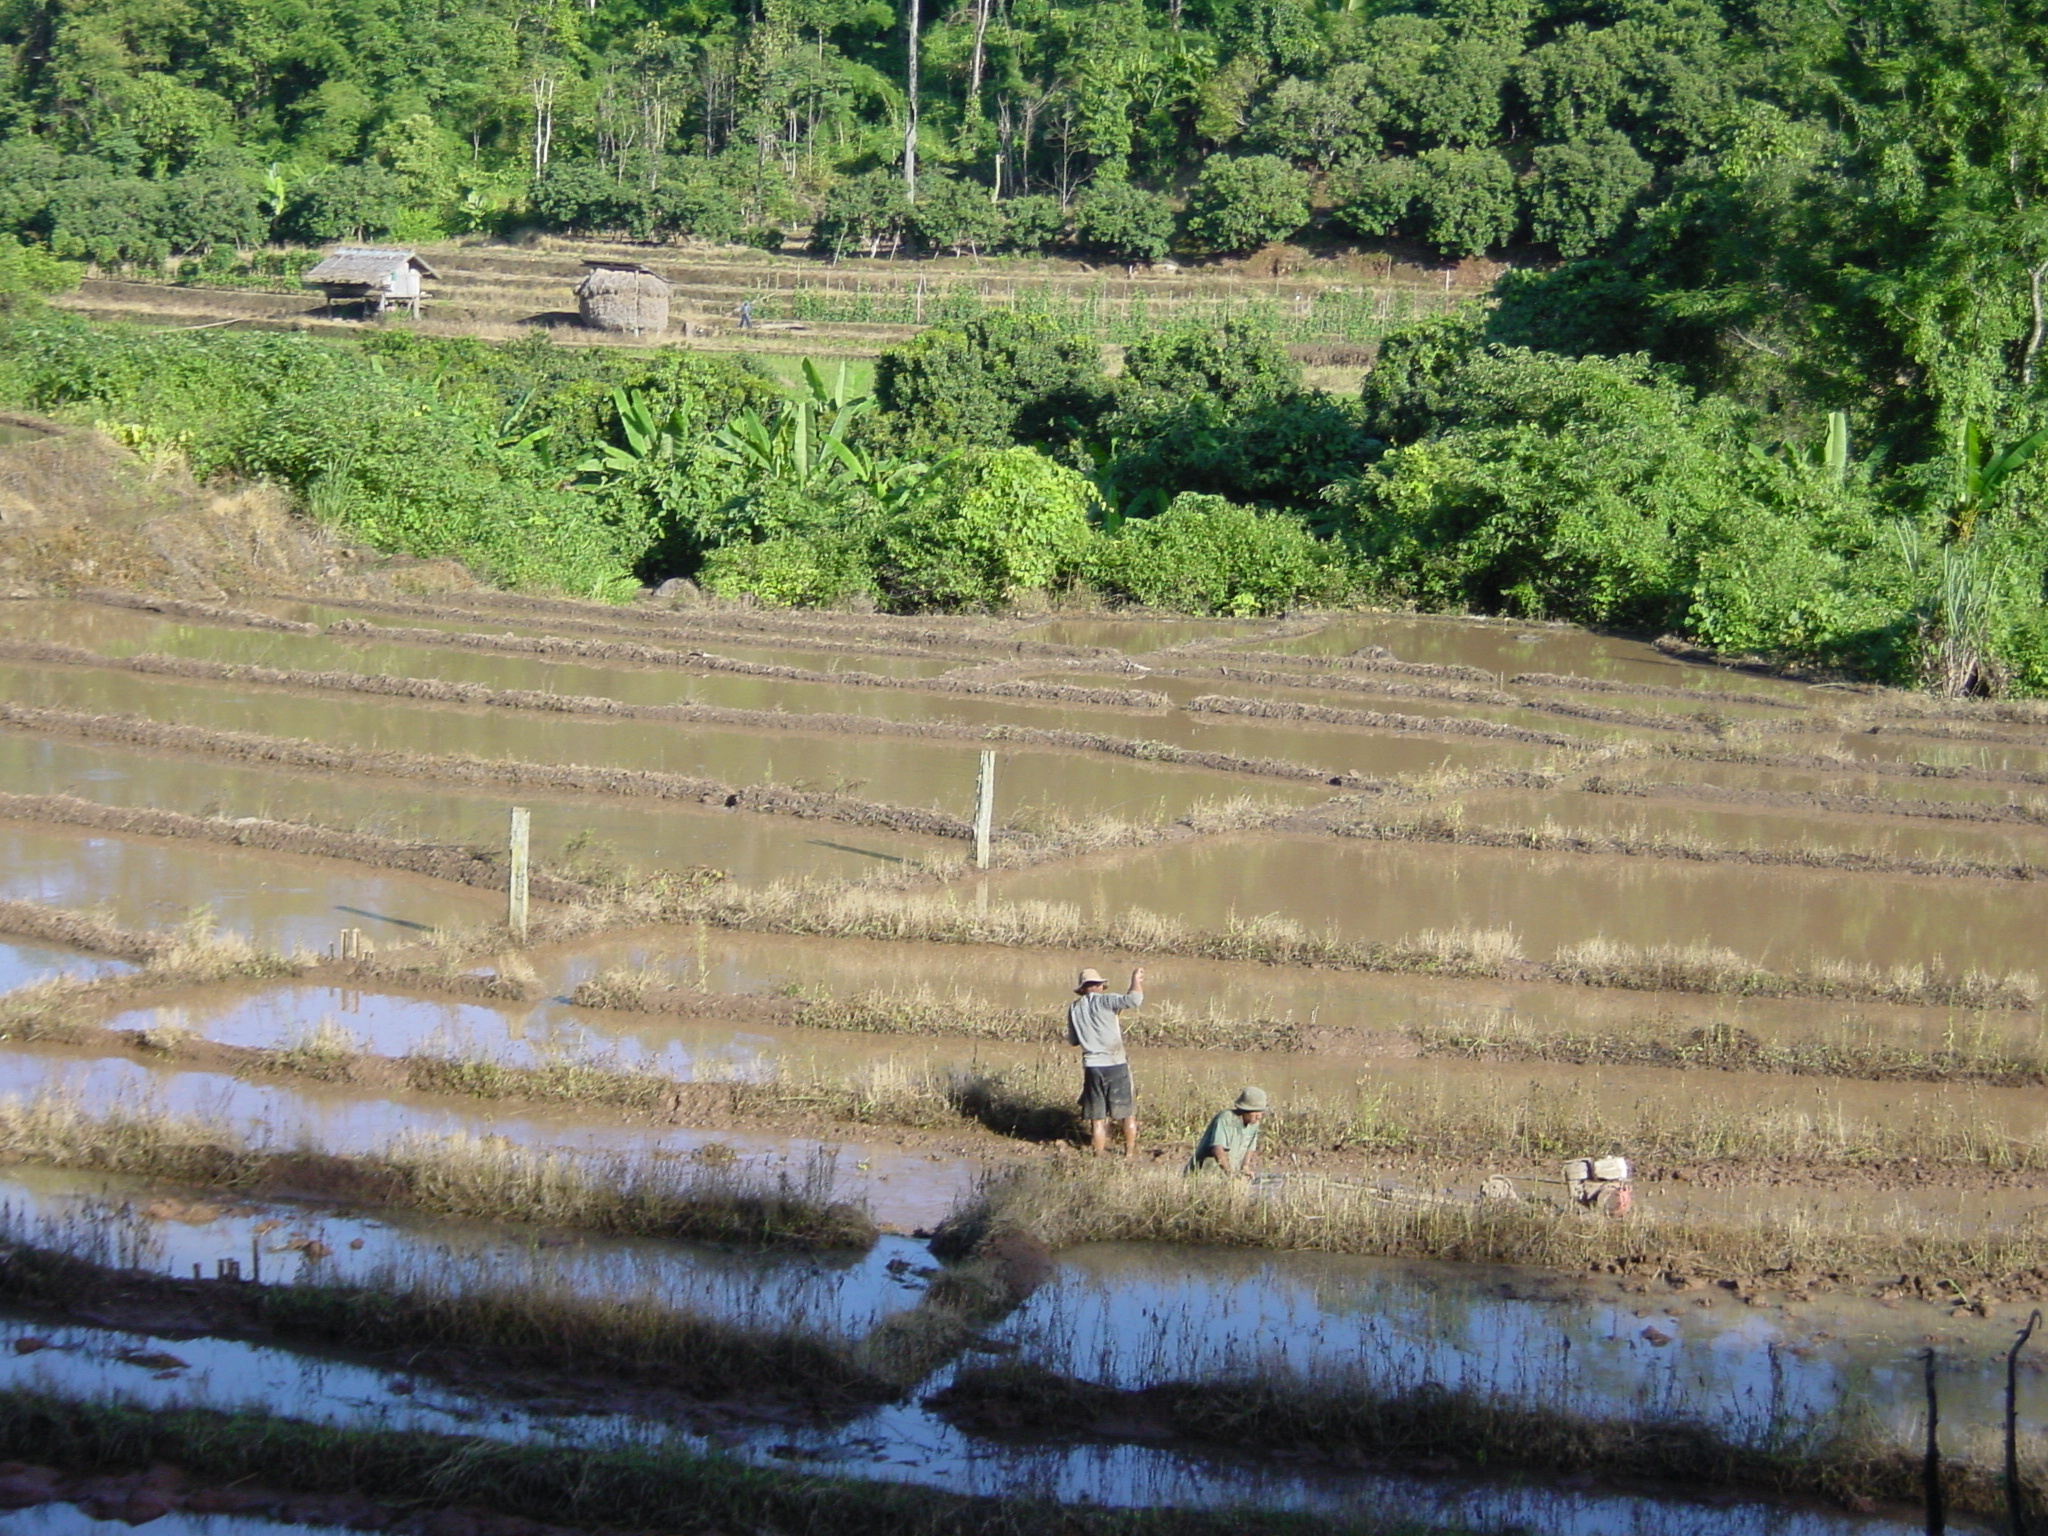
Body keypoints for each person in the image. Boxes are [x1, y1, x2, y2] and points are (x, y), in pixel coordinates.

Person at [1067, 965, 1143, 1155]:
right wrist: (1135, 980)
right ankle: (1130, 1154)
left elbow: (1074, 1040)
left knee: (1097, 1118)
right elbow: (1135, 999)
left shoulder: (1074, 1008)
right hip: (1116, 1063)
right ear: (1100, 986)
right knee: (1127, 1113)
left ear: (1082, 989)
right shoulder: (1108, 1001)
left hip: (1092, 1067)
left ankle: (1098, 1155)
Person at [1187, 1086, 1268, 1177]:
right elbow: (1217, 1149)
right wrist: (1230, 1174)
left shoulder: (1254, 1124)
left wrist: (1245, 1167)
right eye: (1255, 1112)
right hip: (1204, 1173)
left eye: (1261, 1112)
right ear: (1244, 1110)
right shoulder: (1226, 1118)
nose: (1259, 1116)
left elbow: (1250, 1147)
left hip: (1226, 1174)